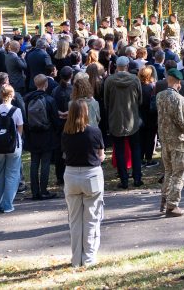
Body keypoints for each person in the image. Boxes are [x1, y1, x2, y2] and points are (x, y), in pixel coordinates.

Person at [61, 99, 105, 266]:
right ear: (86, 113)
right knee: (92, 218)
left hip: (71, 175)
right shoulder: (94, 131)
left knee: (74, 220)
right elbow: (100, 155)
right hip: (91, 175)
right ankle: (89, 257)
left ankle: (76, 259)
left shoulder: (65, 132)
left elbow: (65, 154)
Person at [103, 56, 143, 188]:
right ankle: (137, 178)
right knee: (135, 148)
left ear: (116, 66)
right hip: (132, 119)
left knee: (119, 150)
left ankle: (124, 180)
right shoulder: (134, 79)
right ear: (127, 66)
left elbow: (106, 101)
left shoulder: (110, 80)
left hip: (116, 119)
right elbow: (140, 99)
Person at [156, 69, 184, 216]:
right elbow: (183, 123)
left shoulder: (159, 96)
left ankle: (164, 200)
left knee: (168, 171)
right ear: (178, 82)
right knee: (179, 173)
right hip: (177, 140)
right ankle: (172, 205)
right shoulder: (179, 99)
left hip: (164, 139)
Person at [25, 75, 61, 200]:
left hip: (33, 134)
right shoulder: (49, 100)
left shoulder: (28, 99)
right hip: (47, 134)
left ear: (35, 84)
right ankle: (44, 190)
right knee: (45, 163)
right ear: (46, 84)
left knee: (34, 163)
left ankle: (35, 191)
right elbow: (55, 120)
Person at [0, 84, 23, 212]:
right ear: (12, 95)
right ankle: (7, 205)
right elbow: (20, 128)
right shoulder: (16, 110)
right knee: (12, 174)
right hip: (13, 146)